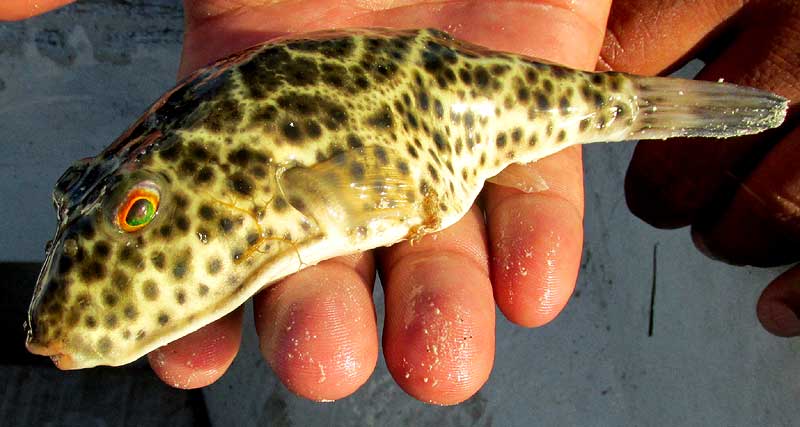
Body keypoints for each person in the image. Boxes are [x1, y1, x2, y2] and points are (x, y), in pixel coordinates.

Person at [3, 0, 798, 405]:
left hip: (440, 106)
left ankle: (639, 104)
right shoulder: (215, 187)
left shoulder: (268, 189)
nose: (123, 218)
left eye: (138, 211)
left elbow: (380, 188)